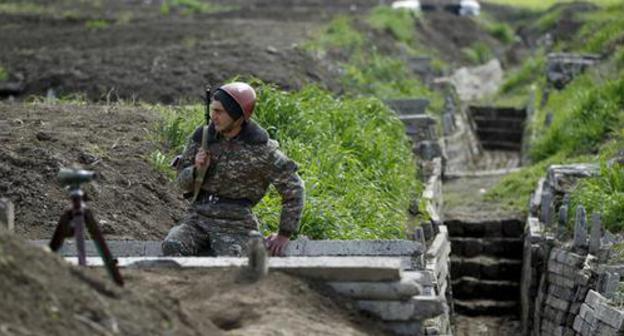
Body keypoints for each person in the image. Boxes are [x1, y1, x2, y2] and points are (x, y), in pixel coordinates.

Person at [162, 82, 304, 257]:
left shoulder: (261, 149)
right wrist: (196, 170)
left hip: (237, 224)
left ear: (238, 116)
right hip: (198, 218)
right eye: (213, 110)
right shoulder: (204, 138)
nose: (214, 116)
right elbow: (181, 183)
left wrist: (284, 234)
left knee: (233, 261)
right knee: (172, 245)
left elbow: (294, 188)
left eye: (220, 112)